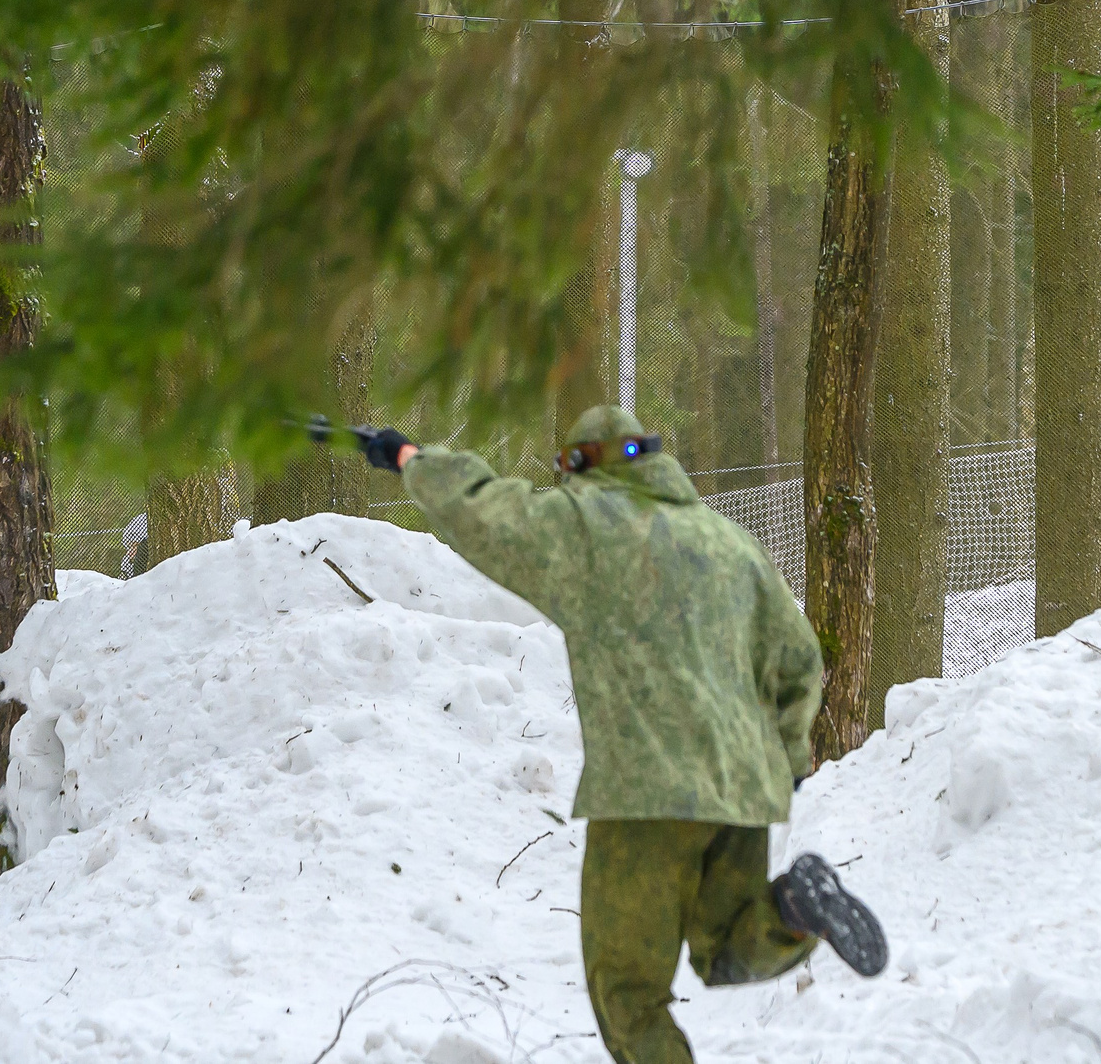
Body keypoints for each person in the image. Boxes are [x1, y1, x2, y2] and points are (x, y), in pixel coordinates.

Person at [362, 404, 886, 1064]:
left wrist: (411, 457)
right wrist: (783, 760)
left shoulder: (586, 527)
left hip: (647, 791)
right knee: (726, 948)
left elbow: (485, 511)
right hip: (743, 784)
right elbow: (800, 657)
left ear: (581, 465)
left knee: (630, 993)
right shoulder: (731, 544)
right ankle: (797, 911)